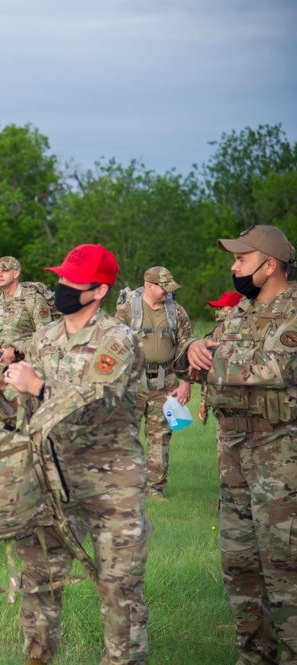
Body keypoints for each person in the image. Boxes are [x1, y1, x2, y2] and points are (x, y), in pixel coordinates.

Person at [0, 244, 150, 665]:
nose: (63, 288)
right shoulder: (44, 338)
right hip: (52, 478)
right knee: (38, 581)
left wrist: (37, 386)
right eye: (61, 279)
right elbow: (27, 416)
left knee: (119, 588)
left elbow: (98, 404)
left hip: (112, 484)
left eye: (74, 282)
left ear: (99, 291)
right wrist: (5, 389)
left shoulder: (118, 339)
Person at [182, 225, 297, 665]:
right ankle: (253, 657)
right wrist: (192, 348)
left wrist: (210, 358)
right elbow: (194, 357)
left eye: (241, 260)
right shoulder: (238, 314)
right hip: (233, 459)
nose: (233, 268)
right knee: (240, 568)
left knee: (284, 571)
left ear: (269, 265)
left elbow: (274, 367)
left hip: (280, 463)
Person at [114, 266, 194, 500]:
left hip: (165, 385)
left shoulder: (176, 312)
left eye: (170, 289)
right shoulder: (127, 310)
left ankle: (154, 489)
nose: (167, 293)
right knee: (126, 436)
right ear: (149, 285)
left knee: (160, 439)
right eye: (163, 288)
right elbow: (114, 346)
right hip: (133, 384)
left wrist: (186, 382)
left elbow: (188, 347)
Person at [0, 256, 53, 361]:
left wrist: (16, 352)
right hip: (3, 366)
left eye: (4, 270)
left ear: (15, 274)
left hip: (30, 366)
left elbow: (44, 334)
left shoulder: (33, 300)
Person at [196, 291, 243, 425]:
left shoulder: (248, 331)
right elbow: (208, 370)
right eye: (217, 308)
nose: (218, 311)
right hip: (222, 401)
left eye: (222, 308)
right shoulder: (217, 332)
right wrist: (204, 403)